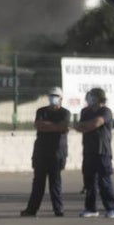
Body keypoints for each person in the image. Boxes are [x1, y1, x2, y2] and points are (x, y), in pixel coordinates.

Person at [21, 87, 70, 217]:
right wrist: (55, 127)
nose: (52, 98)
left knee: (55, 183)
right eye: (51, 95)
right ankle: (31, 210)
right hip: (41, 152)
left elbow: (64, 127)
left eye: (55, 96)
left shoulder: (65, 112)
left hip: (57, 152)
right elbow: (39, 126)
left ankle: (58, 209)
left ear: (61, 98)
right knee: (38, 183)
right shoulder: (41, 111)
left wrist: (48, 126)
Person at [74, 87, 114, 218]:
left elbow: (96, 123)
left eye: (91, 96)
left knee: (104, 181)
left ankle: (111, 208)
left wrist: (85, 126)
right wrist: (84, 126)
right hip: (89, 150)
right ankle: (91, 208)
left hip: (102, 151)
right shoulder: (85, 111)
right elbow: (80, 127)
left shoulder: (106, 111)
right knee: (89, 182)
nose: (88, 98)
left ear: (97, 98)